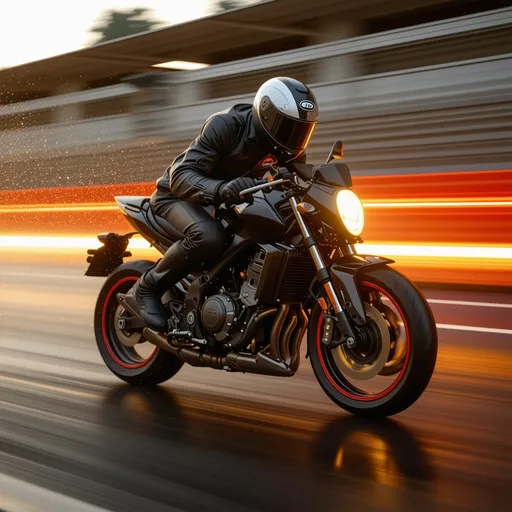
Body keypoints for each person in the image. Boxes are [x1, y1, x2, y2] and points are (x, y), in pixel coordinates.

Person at [125, 77, 319, 332]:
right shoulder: (227, 125)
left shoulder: (287, 146)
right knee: (209, 235)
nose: (295, 138)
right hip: (177, 197)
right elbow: (180, 176)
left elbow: (299, 176)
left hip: (229, 203)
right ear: (268, 116)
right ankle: (146, 289)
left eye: (301, 130)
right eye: (288, 128)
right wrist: (220, 189)